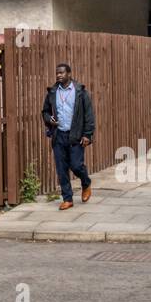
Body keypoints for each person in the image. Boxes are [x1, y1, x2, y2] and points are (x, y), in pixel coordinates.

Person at [40, 62, 95, 210]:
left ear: (69, 74)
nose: (58, 75)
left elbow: (89, 115)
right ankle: (68, 198)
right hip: (59, 135)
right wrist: (48, 119)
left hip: (75, 136)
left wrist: (87, 134)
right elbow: (45, 111)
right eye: (57, 73)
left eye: (61, 73)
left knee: (76, 165)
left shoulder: (80, 92)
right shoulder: (52, 92)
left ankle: (86, 182)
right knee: (61, 168)